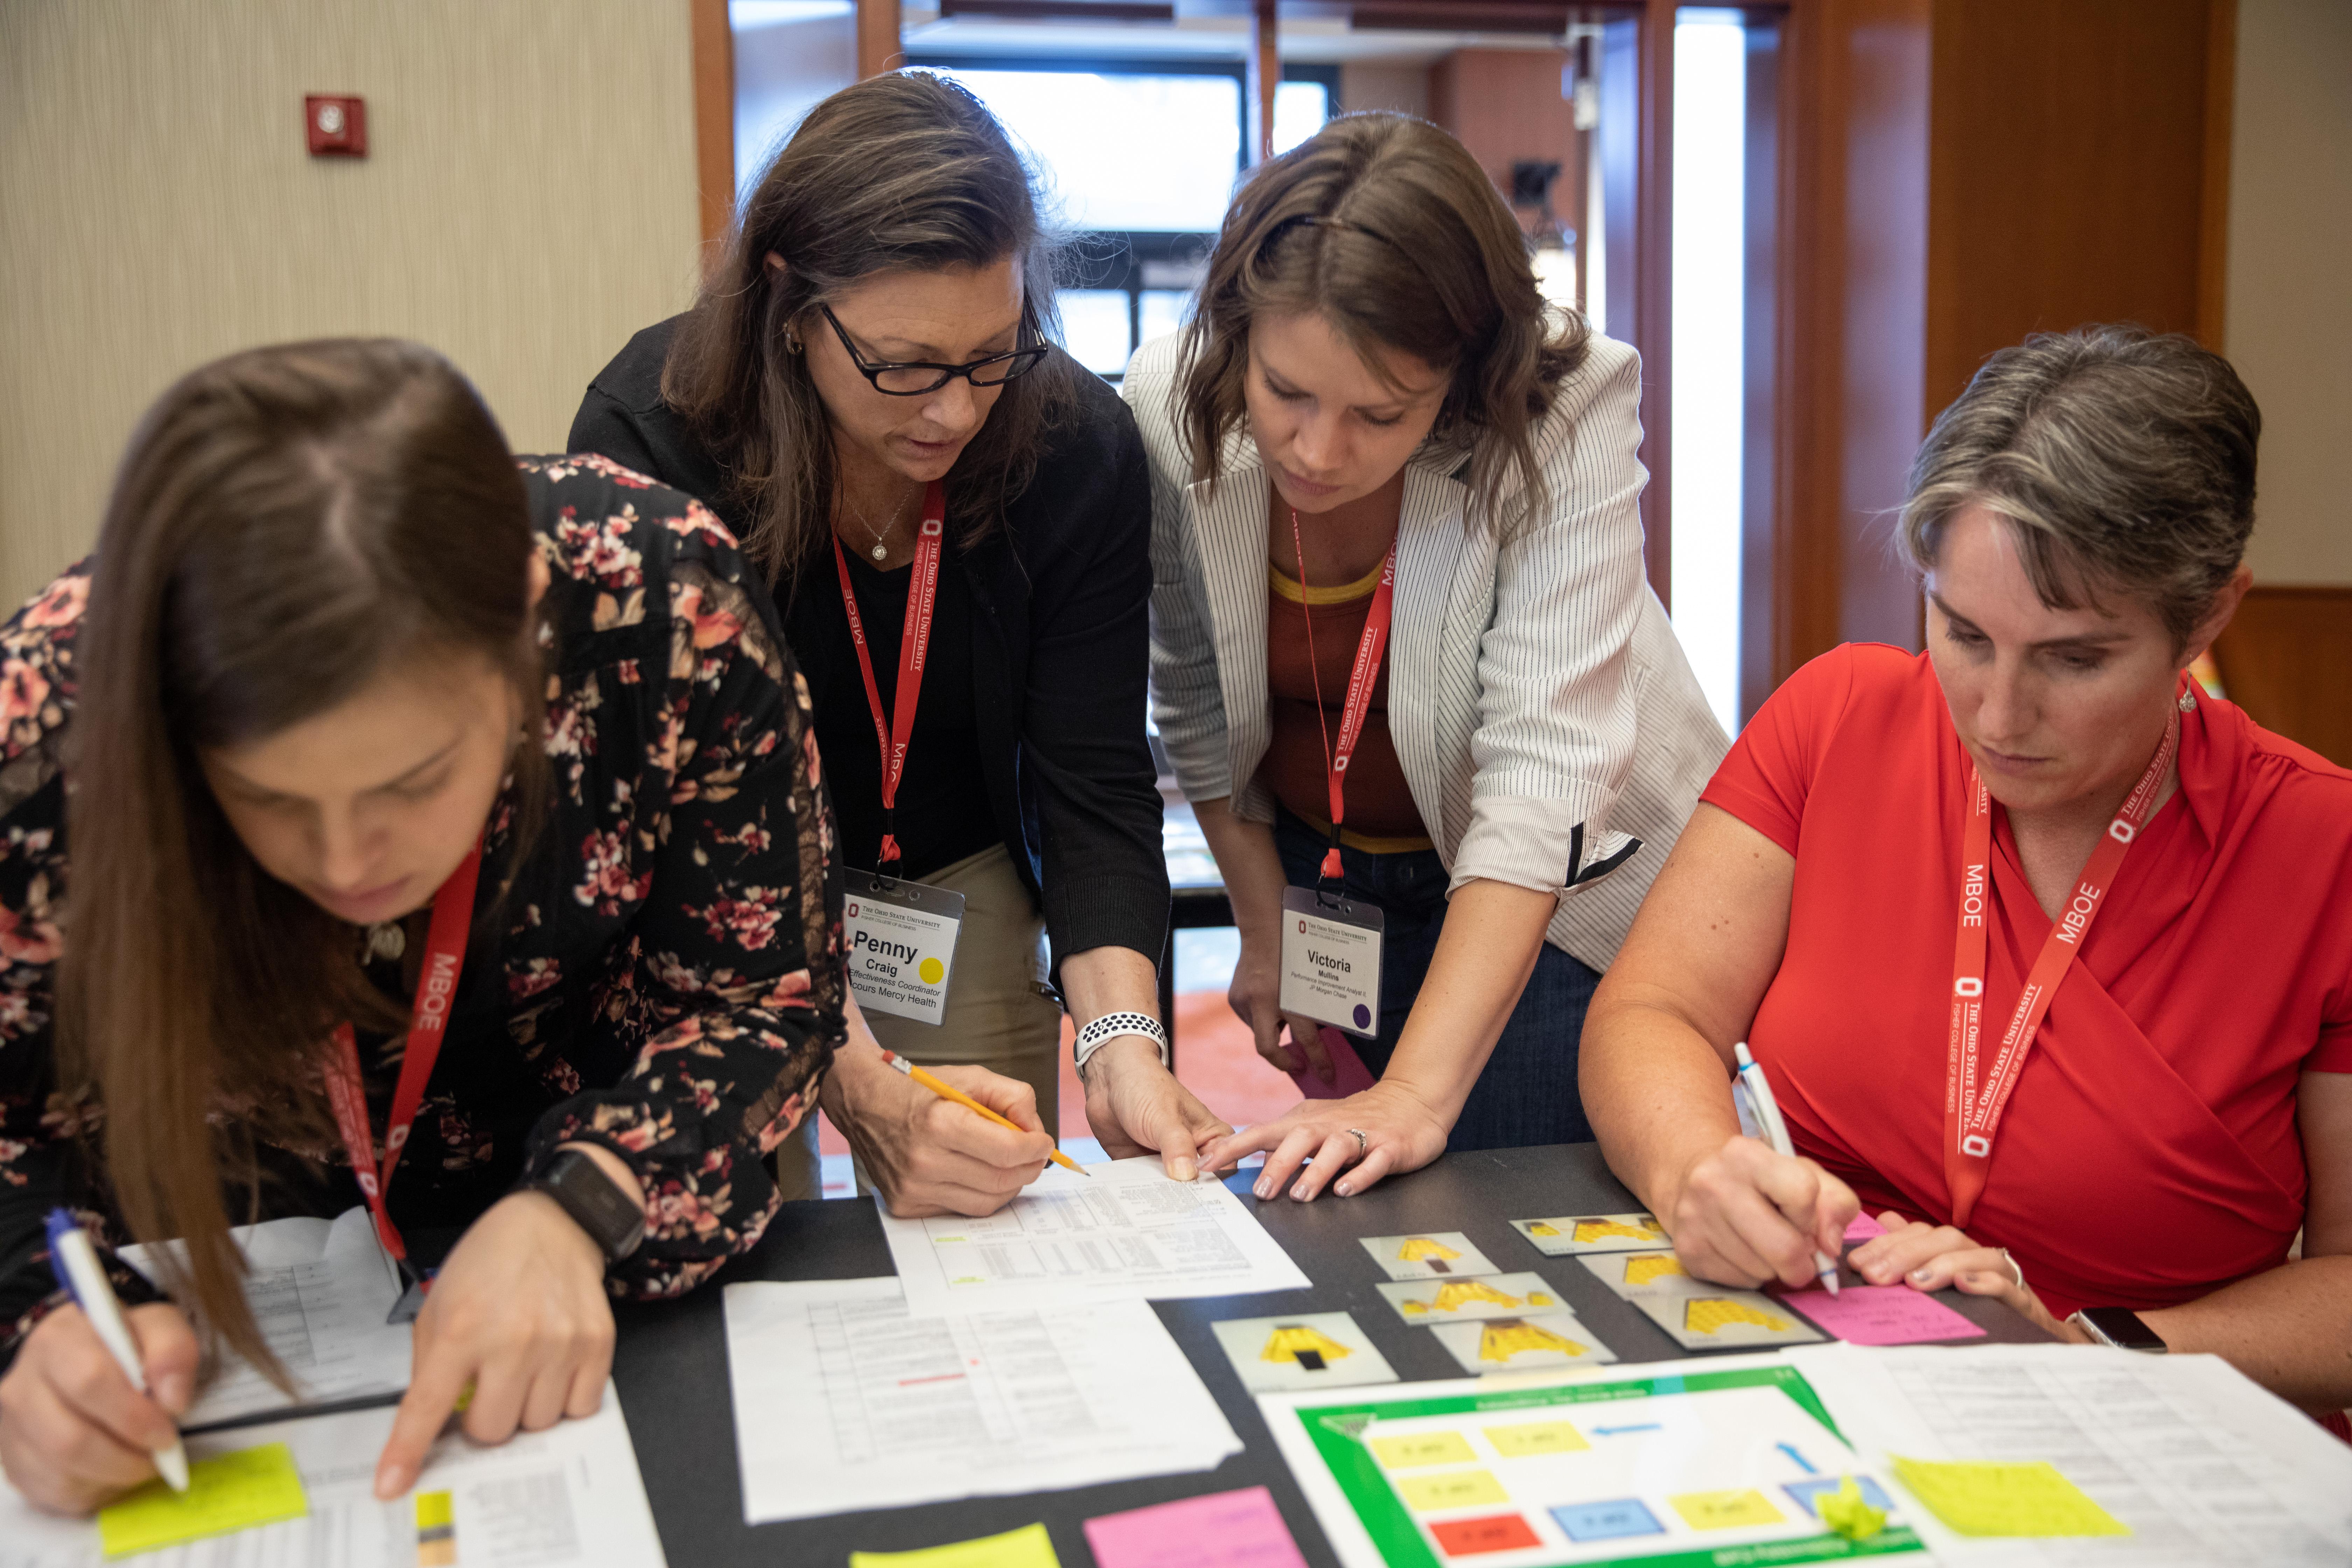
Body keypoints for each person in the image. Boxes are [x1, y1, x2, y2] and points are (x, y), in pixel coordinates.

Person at [0, 339, 845, 1512]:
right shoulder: (48, 722)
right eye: (269, 800)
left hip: (591, 1238)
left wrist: (587, 1201)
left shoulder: (662, 605)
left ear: (527, 639)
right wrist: (28, 1325)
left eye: (413, 780)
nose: (348, 862)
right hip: (215, 1281)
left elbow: (766, 998)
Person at [1582, 326, 2352, 1416]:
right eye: (1963, 632)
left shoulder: (2323, 849)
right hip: (1808, 1367)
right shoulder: (1838, 719)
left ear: (2209, 616)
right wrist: (1697, 1169)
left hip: (2142, 1418)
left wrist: (2100, 1347)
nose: (1997, 716)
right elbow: (1653, 1010)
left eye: (2075, 660)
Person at [570, 72, 1227, 1210]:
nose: (955, 413)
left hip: (953, 875)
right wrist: (853, 1077)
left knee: (977, 1205)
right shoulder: (658, 438)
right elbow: (655, 809)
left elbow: (1094, 783)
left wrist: (1123, 1042)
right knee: (729, 1225)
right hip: (711, 899)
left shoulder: (1074, 448)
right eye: (904, 365)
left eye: (992, 354)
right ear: (787, 302)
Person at [1129, 112, 1727, 1205]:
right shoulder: (1172, 405)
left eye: (1379, 413)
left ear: (1458, 381)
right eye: (1286, 393)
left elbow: (1541, 776)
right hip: (1334, 876)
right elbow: (1196, 698)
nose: (1316, 451)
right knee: (1372, 1226)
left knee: (1525, 1219)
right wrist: (1265, 922)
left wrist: (1414, 1094)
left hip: (1560, 893)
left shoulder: (1566, 404)